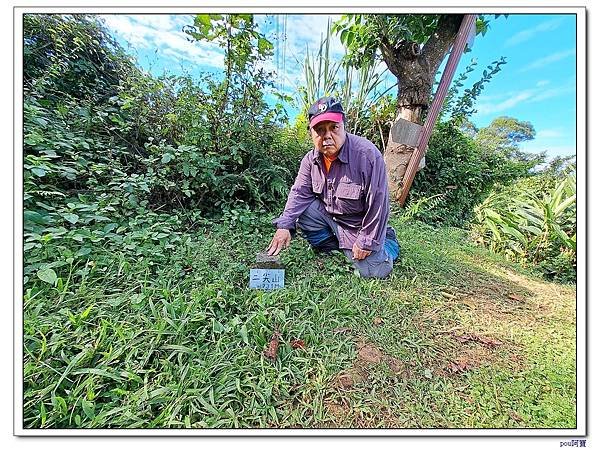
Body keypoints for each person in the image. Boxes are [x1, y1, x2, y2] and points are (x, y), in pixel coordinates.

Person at [267, 96, 400, 278]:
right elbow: (299, 193)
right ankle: (338, 245)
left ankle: (387, 240)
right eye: (320, 130)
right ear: (312, 134)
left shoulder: (367, 155)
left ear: (344, 126)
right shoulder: (310, 160)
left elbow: (378, 204)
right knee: (303, 211)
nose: (327, 136)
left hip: (358, 225)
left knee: (372, 271)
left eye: (334, 127)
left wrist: (366, 241)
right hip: (331, 218)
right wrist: (284, 225)